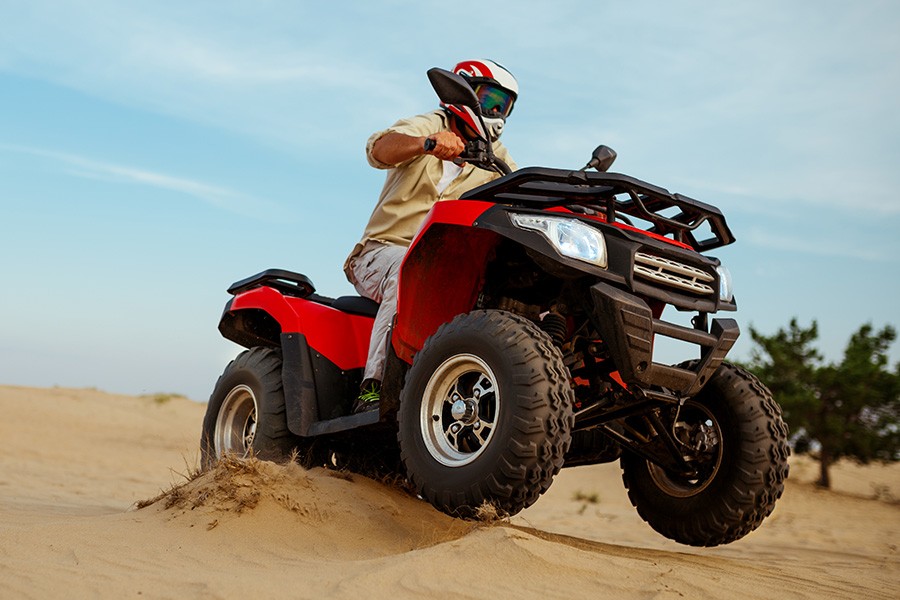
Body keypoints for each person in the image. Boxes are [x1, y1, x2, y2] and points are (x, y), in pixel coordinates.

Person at [343, 59, 520, 413]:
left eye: (503, 106)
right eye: (489, 100)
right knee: (407, 271)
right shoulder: (431, 124)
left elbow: (519, 186)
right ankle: (372, 388)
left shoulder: (494, 155)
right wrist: (427, 143)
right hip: (382, 254)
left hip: (445, 271)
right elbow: (379, 150)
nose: (496, 112)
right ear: (464, 93)